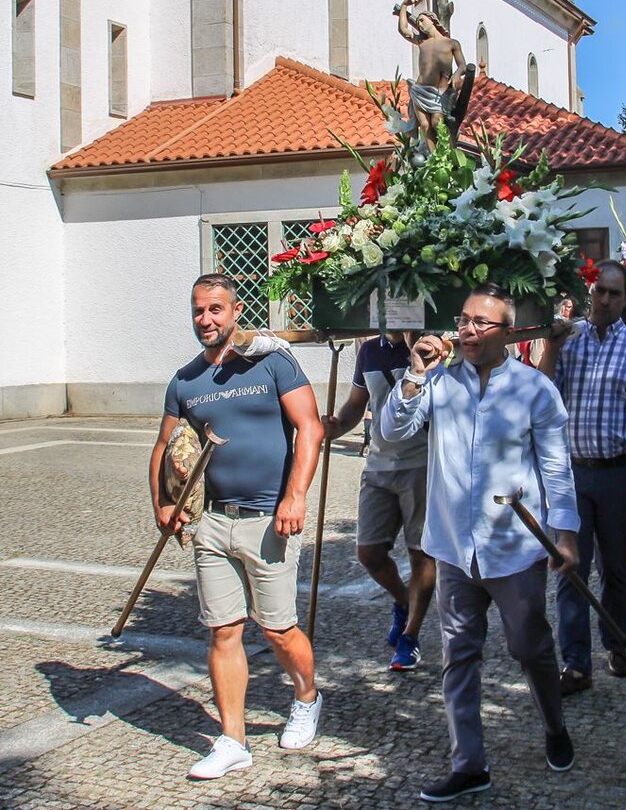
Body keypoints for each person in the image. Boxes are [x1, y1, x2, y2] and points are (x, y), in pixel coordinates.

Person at [380, 284, 580, 802]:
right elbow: (393, 430)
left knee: (529, 647)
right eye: (463, 320)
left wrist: (567, 536)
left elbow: (557, 467)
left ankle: (554, 724)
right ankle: (469, 764)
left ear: (507, 332)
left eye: (480, 323)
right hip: (452, 547)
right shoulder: (440, 384)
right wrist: (415, 374)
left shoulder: (535, 390)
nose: (468, 330)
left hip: (515, 548)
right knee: (459, 655)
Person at [150, 274, 324, 779]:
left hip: (270, 519)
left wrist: (295, 497)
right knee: (223, 630)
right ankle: (232, 740)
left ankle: (307, 697)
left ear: (235, 310)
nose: (206, 320)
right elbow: (164, 447)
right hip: (213, 523)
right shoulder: (185, 381)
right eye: (198, 311)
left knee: (278, 629)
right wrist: (163, 502)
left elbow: (309, 427)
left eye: (216, 310)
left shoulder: (271, 362)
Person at [539, 260, 626, 694]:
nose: (605, 299)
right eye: (599, 291)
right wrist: (552, 346)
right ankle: (576, 663)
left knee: (615, 566)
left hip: (619, 472)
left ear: (625, 299)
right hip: (572, 472)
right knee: (570, 565)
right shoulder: (569, 340)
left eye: (615, 293)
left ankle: (616, 642)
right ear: (588, 292)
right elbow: (544, 392)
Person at [324, 332, 435, 671]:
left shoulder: (432, 347)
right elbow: (358, 405)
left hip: (421, 464)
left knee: (421, 553)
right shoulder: (371, 350)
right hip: (378, 464)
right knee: (369, 552)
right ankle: (404, 602)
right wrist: (337, 425)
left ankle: (410, 637)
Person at [397, 0, 467, 153]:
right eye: (418, 22)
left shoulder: (451, 43)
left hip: (439, 93)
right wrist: (404, 6)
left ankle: (449, 156)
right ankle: (435, 159)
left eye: (422, 20)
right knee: (424, 125)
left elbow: (462, 65)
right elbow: (403, 29)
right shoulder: (422, 42)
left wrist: (456, 75)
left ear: (433, 20)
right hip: (419, 90)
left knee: (437, 122)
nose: (420, 25)